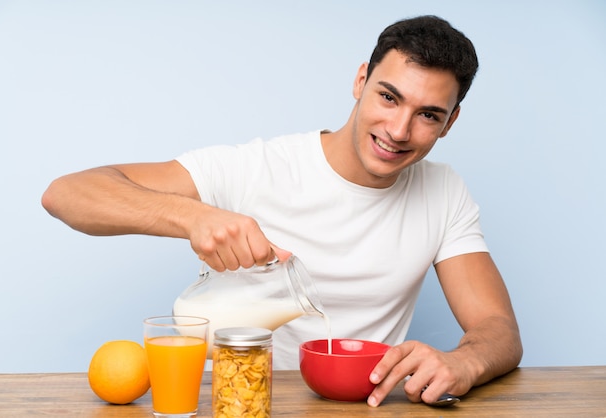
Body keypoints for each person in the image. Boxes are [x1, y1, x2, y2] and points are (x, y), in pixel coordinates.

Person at [42, 15, 522, 407]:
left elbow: (497, 330)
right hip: (239, 401)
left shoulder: (443, 192)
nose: (398, 130)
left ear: (450, 122)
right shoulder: (255, 168)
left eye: (428, 115)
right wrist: (193, 217)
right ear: (361, 81)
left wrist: (465, 363)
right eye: (389, 97)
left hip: (361, 405)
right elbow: (67, 194)